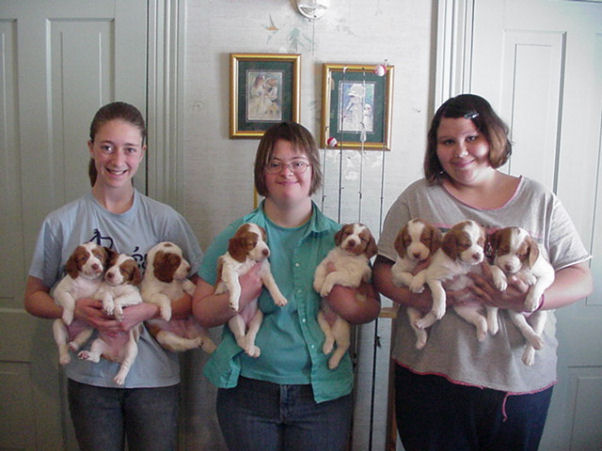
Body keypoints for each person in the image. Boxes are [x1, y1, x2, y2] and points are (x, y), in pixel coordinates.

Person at [373, 94, 593, 451]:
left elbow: (581, 277)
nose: (460, 151)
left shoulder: (539, 199)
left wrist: (529, 299)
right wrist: (424, 297)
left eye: (471, 137)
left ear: (493, 138)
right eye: (448, 141)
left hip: (517, 382)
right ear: (435, 148)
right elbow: (382, 272)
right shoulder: (418, 197)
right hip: (430, 379)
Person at [24, 101, 203, 451]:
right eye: (106, 147)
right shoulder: (60, 223)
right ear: (91, 147)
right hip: (90, 379)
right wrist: (74, 309)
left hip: (154, 379)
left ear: (142, 153)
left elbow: (199, 296)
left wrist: (149, 310)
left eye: (129, 149)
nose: (117, 159)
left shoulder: (166, 221)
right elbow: (33, 296)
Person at [192, 121, 380, 450]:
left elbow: (371, 306)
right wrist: (243, 292)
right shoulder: (236, 235)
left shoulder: (341, 238)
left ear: (313, 170)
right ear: (261, 174)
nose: (286, 172)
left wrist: (343, 297)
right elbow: (202, 311)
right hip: (248, 392)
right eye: (274, 163)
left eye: (298, 163)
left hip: (321, 395)